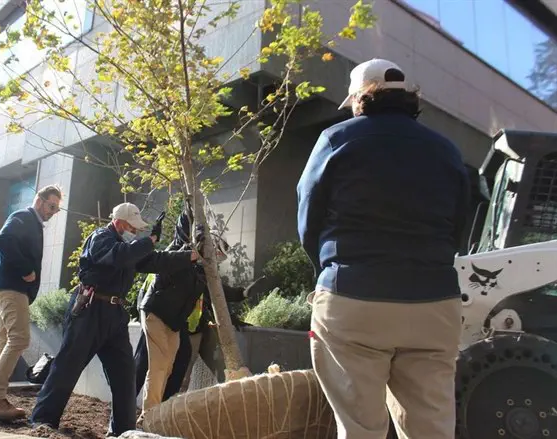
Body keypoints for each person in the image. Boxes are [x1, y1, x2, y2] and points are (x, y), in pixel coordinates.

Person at [296, 58, 469, 439]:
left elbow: (309, 215)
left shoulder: (337, 139)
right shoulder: (447, 151)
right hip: (434, 301)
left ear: (360, 98)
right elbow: (459, 227)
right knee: (432, 428)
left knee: (359, 428)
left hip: (353, 297)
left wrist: (327, 271)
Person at [30, 202, 198, 436]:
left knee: (125, 375)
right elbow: (119, 257)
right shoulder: (100, 238)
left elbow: (156, 260)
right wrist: (148, 242)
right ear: (119, 223)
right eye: (133, 227)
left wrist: (189, 256)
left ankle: (122, 430)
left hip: (114, 314)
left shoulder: (129, 247)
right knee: (67, 367)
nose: (137, 232)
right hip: (89, 310)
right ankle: (43, 421)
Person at [137, 205, 256, 414]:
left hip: (175, 322)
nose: (218, 257)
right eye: (217, 251)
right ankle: (148, 415)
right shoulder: (181, 254)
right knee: (157, 367)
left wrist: (242, 294)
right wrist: (192, 214)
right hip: (156, 314)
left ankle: (162, 411)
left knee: (172, 367)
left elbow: (217, 290)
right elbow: (179, 241)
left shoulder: (203, 271)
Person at [0, 185, 63, 421]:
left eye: (56, 210)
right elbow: (4, 239)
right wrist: (26, 270)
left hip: (8, 288)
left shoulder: (31, 221)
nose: (52, 212)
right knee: (19, 339)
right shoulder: (24, 216)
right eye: (51, 206)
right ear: (39, 200)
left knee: (5, 341)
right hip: (12, 288)